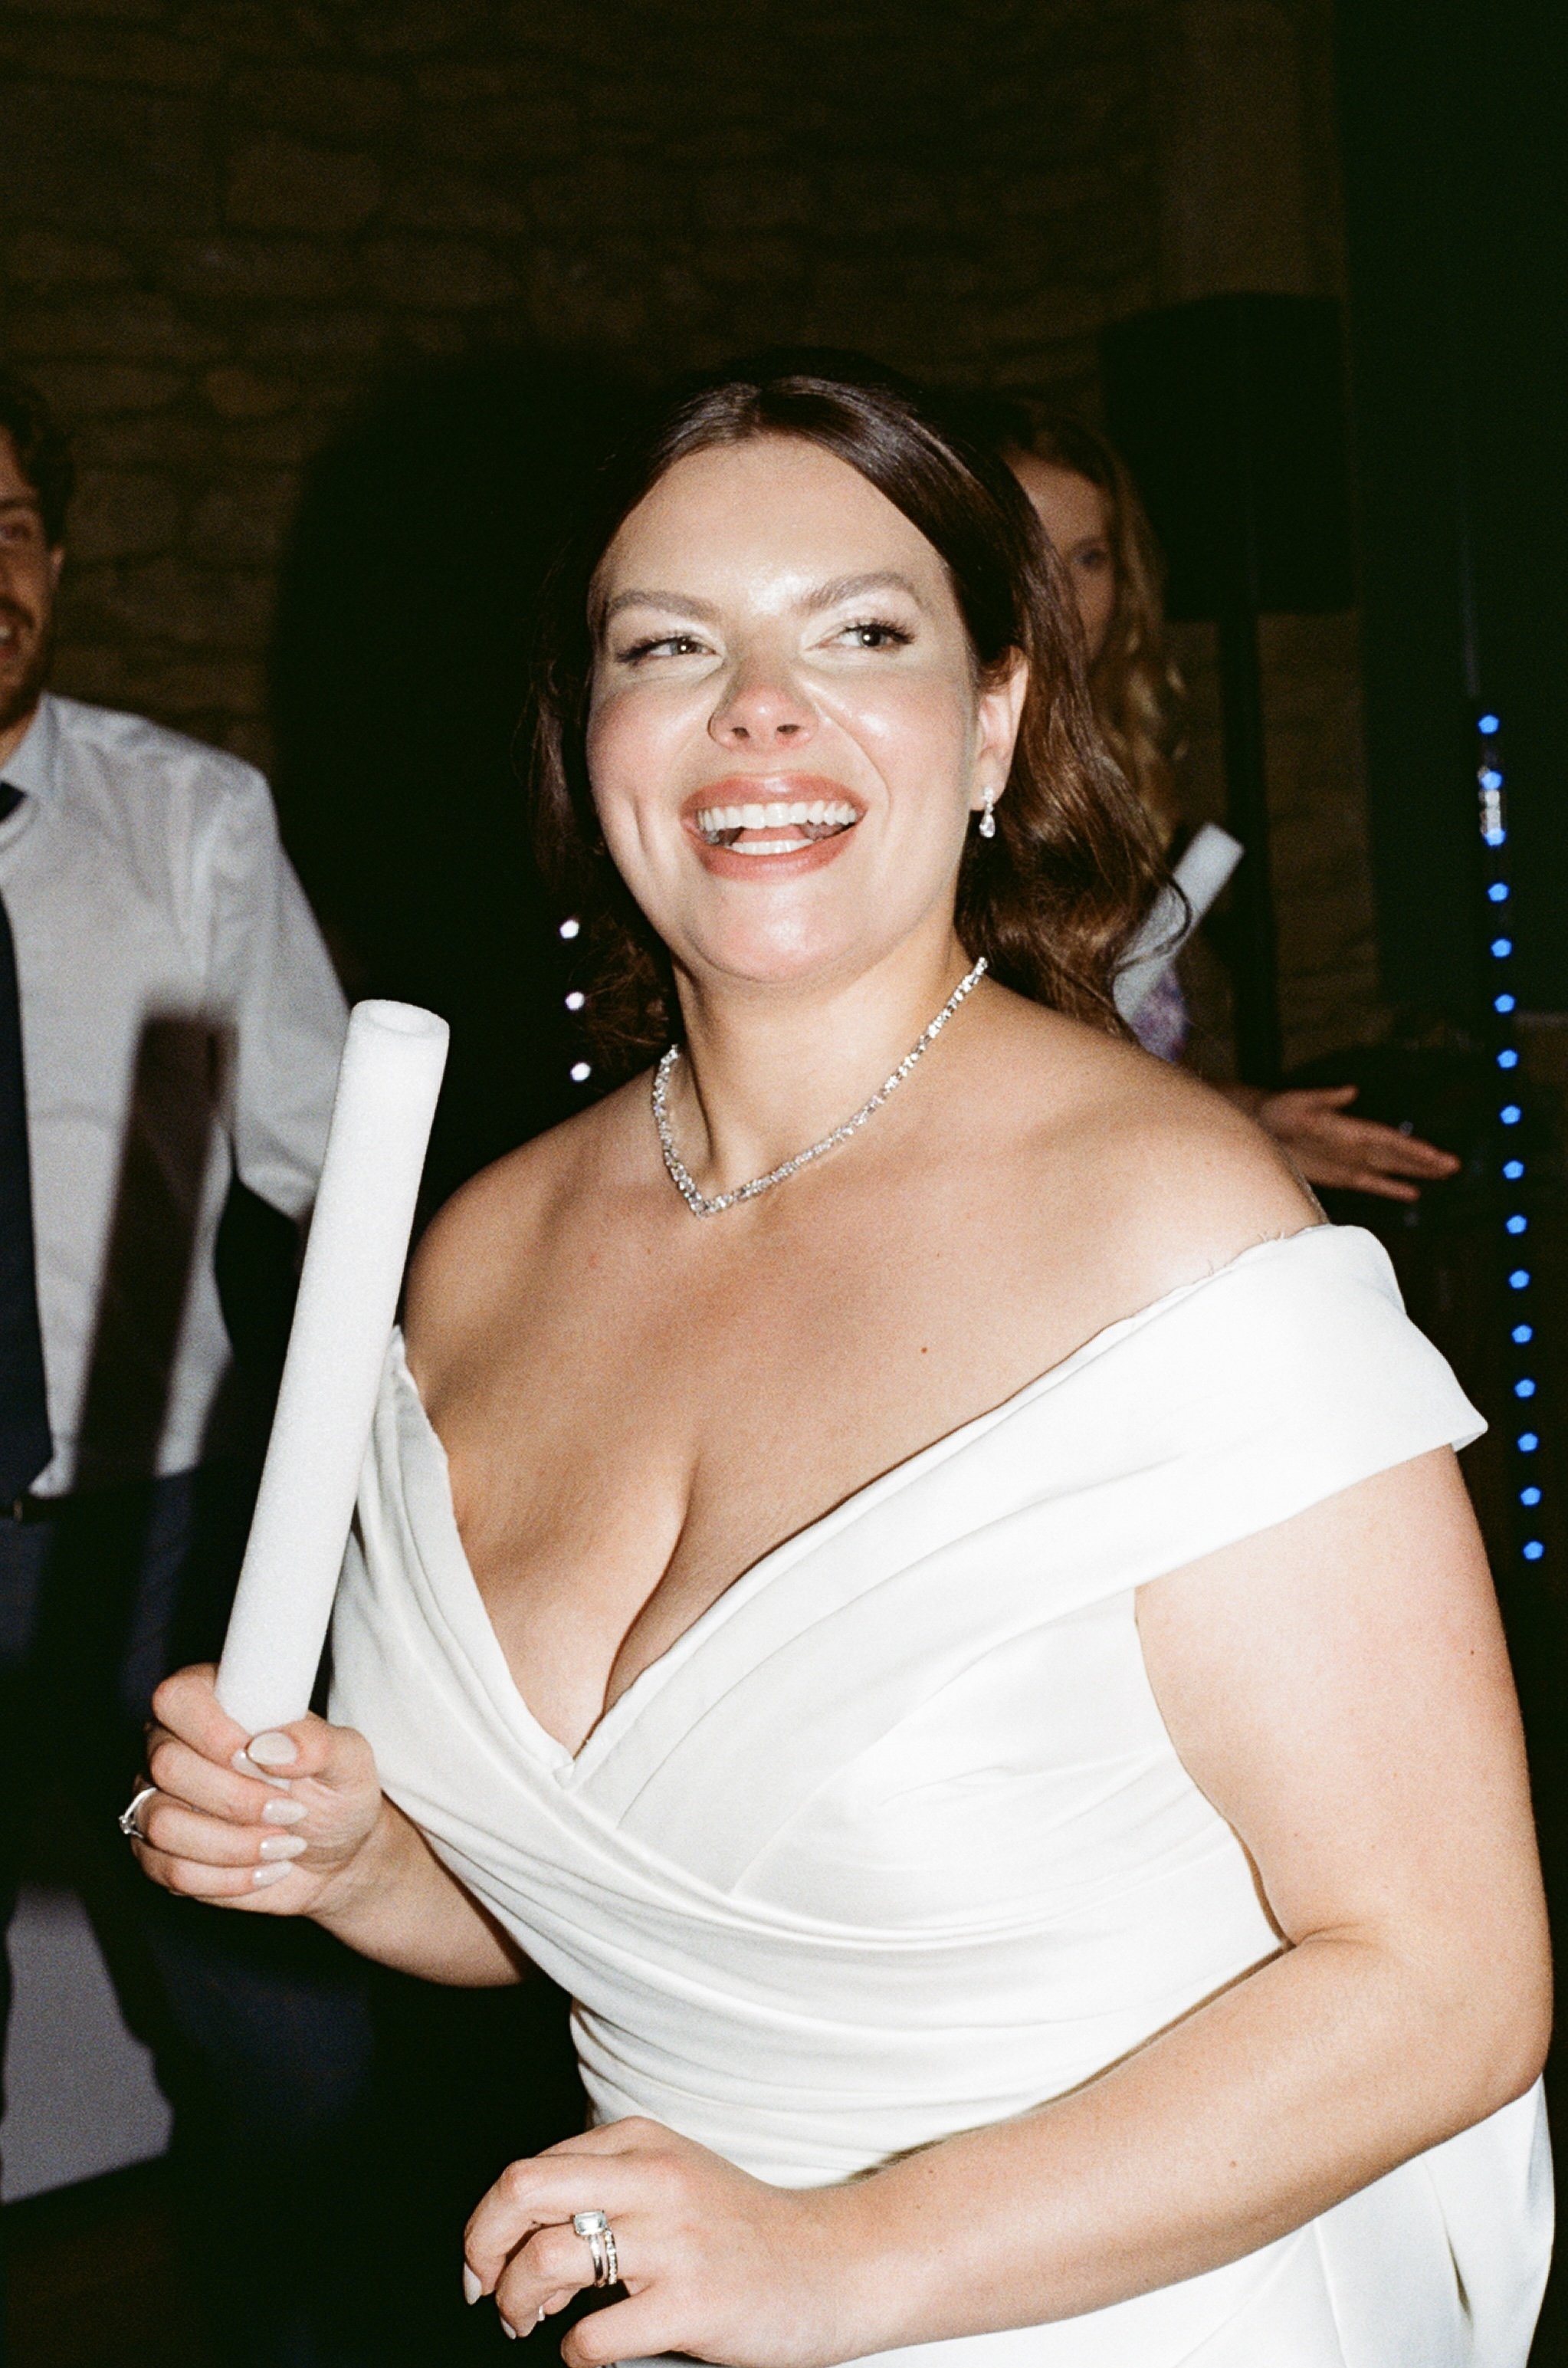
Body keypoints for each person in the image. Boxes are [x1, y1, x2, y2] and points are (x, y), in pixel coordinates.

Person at [131, 356, 1550, 2366]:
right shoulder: (470, 1262)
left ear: (994, 718)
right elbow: (590, 1891)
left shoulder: (1171, 1230)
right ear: (588, 732)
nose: (759, 711)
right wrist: (366, 1858)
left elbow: (1443, 1981)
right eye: (669, 645)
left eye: (860, 633)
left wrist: (858, 2257)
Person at [0, 366, 371, 2366]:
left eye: (12, 527)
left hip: (148, 1541)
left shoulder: (191, 820)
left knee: (291, 2063)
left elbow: (339, 1165)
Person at [959, 397, 1461, 1204]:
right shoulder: (943, 786)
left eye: (1090, 558)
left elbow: (1117, 1063)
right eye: (1031, 555)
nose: (1064, 596)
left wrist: (1252, 1115)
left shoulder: (1111, 771)